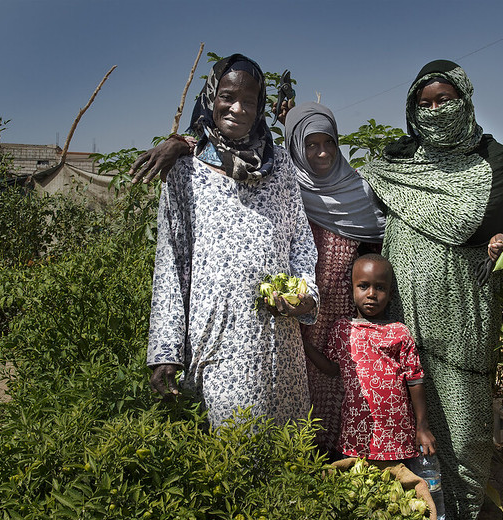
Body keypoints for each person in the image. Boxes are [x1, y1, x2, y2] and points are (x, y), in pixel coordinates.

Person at [358, 60, 503, 519]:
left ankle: (465, 509)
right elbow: (334, 194)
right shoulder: (396, 163)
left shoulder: (494, 162)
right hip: (403, 313)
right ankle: (418, 505)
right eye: (424, 103)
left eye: (444, 101)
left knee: (465, 423)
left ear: (465, 101)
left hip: (463, 316)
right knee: (402, 413)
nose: (434, 111)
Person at [145, 53, 320, 427]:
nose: (238, 108)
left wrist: (305, 294)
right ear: (211, 97)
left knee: (287, 450)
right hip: (219, 335)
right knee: (232, 450)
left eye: (250, 100)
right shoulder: (185, 168)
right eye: (227, 96)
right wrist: (165, 348)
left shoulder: (281, 165)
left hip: (280, 339)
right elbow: (171, 263)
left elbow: (300, 242)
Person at [284, 102, 385, 454]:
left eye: (329, 142)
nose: (322, 152)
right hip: (294, 311)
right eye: (311, 144)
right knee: (294, 384)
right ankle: (296, 463)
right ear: (295, 145)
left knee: (337, 386)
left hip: (344, 314)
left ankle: (334, 462)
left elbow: (378, 243)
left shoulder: (357, 188)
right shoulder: (283, 187)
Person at [303, 254, 435, 462]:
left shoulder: (399, 332)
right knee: (355, 485)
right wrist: (304, 346)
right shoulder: (343, 330)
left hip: (397, 432)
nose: (371, 294)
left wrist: (422, 426)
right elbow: (331, 368)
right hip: (355, 432)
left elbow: (415, 379)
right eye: (363, 286)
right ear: (352, 290)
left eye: (380, 288)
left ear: (391, 294)